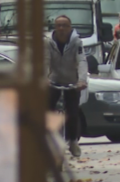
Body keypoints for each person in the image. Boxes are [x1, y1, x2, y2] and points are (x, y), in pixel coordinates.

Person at [45, 15, 87, 158]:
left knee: (73, 112)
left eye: (65, 25)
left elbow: (82, 61)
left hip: (72, 81)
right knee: (48, 109)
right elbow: (45, 61)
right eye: (59, 25)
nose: (61, 29)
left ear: (70, 28)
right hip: (54, 80)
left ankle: (73, 141)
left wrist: (81, 80)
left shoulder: (77, 42)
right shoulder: (48, 42)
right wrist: (44, 78)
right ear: (55, 28)